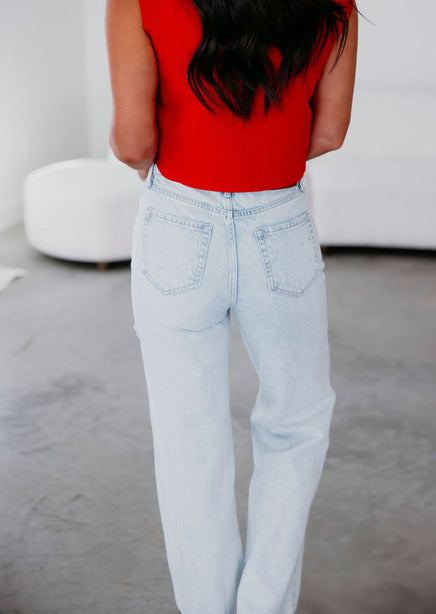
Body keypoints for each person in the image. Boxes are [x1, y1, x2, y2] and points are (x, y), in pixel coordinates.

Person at [105, 0, 358, 612]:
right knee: (295, 423)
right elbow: (328, 132)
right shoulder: (338, 6)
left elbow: (134, 141)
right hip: (280, 219)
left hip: (178, 219)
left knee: (187, 436)